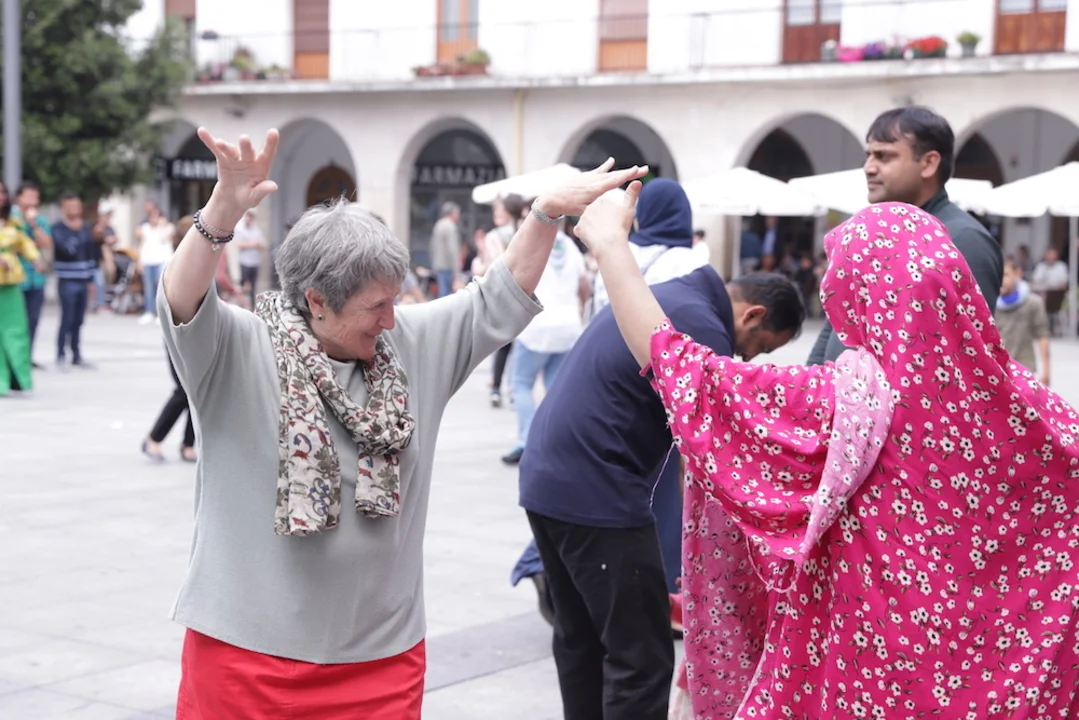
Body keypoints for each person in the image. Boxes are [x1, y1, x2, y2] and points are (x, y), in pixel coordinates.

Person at [158, 126, 645, 720]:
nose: (392, 319)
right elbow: (182, 298)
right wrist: (222, 209)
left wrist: (545, 213)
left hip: (381, 661)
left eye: (396, 300)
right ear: (316, 300)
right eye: (376, 307)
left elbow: (498, 294)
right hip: (245, 659)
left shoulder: (409, 345)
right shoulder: (237, 348)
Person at [576, 191, 1079, 719]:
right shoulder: (1024, 401)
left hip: (867, 679)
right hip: (992, 688)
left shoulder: (847, 402)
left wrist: (612, 247)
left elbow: (684, 370)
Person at [517, 264, 804, 719]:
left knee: (582, 638)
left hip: (547, 477)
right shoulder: (702, 329)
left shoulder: (669, 295)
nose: (747, 360)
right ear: (752, 315)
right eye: (758, 348)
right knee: (642, 658)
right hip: (599, 488)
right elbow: (712, 452)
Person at [808, 105, 1003, 365]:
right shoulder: (870, 236)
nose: (869, 168)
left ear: (929, 163)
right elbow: (835, 328)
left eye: (884, 156)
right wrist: (814, 383)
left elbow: (964, 359)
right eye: (868, 156)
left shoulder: (963, 240)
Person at [501, 228, 589, 465]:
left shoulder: (532, 240)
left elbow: (513, 281)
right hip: (568, 326)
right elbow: (584, 286)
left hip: (536, 326)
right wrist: (578, 311)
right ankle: (556, 441)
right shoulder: (570, 247)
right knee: (555, 386)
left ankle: (527, 441)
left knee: (521, 383)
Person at [0, 180, 45, 396]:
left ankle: (17, 379)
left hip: (10, 284)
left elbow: (24, 242)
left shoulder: (12, 221)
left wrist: (35, 259)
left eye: (2, 192)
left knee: (16, 331)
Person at [52, 191, 100, 370]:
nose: (75, 209)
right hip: (67, 280)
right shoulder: (58, 229)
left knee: (79, 319)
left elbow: (90, 254)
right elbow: (67, 250)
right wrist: (76, 232)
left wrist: (91, 280)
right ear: (63, 207)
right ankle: (60, 354)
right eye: (71, 206)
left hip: (83, 280)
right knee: (67, 317)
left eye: (77, 206)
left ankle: (76, 354)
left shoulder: (85, 228)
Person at [11, 182, 51, 369]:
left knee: (33, 320)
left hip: (36, 278)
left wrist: (33, 224)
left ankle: (26, 357)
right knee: (15, 321)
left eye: (36, 197)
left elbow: (46, 243)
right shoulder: (10, 219)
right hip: (15, 278)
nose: (33, 201)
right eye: (29, 196)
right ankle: (12, 359)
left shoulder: (40, 220)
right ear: (18, 197)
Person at [996, 255, 1051, 386]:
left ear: (1017, 274)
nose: (1001, 280)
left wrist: (1046, 372)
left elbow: (1043, 336)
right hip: (999, 371)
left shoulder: (1033, 303)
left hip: (1025, 370)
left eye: (1005, 275)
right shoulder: (990, 304)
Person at [136, 203, 176, 325]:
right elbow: (142, 245)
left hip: (162, 261)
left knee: (161, 288)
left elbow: (167, 239)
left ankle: (161, 314)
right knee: (148, 288)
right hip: (148, 260)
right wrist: (139, 261)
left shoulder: (168, 227)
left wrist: (161, 226)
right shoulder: (145, 228)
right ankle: (149, 311)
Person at [234, 209, 267, 309]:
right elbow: (238, 244)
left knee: (253, 286)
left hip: (254, 261)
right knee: (244, 285)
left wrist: (258, 245)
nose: (250, 218)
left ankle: (252, 307)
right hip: (245, 261)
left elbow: (263, 244)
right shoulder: (240, 229)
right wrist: (252, 244)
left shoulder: (256, 229)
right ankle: (242, 305)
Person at [429, 201, 461, 298]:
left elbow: (432, 245)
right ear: (453, 213)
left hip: (438, 264)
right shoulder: (450, 226)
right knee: (447, 294)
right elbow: (452, 248)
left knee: (442, 291)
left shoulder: (438, 224)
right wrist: (457, 266)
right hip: (448, 265)